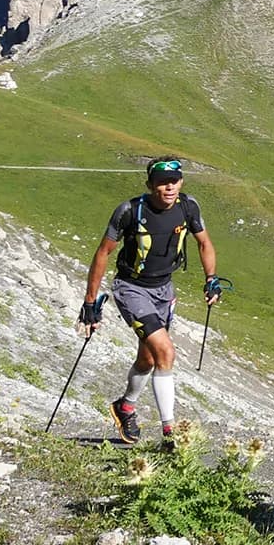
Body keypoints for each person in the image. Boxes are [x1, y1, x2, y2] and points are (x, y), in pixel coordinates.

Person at [78, 157, 222, 450]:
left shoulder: (188, 207)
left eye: (174, 181)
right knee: (166, 352)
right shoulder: (130, 211)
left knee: (148, 359)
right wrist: (90, 302)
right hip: (131, 289)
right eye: (161, 182)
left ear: (180, 182)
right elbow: (103, 253)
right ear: (150, 184)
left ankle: (125, 407)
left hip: (163, 291)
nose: (168, 187)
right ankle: (170, 435)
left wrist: (211, 279)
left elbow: (204, 243)